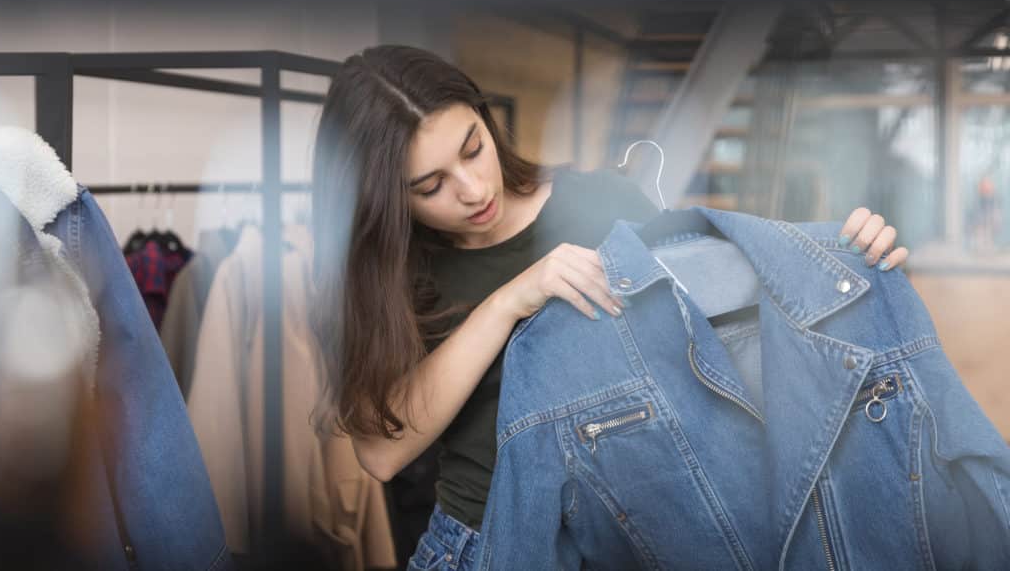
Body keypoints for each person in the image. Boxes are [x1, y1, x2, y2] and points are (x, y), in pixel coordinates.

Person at [308, 45, 909, 570]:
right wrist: (507, 303)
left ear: (487, 121)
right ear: (383, 196)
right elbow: (381, 453)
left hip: (643, 526)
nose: (473, 189)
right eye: (430, 186)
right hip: (482, 537)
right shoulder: (389, 279)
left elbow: (729, 336)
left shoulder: (602, 203)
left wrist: (841, 260)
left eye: (473, 148)